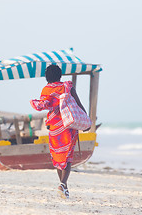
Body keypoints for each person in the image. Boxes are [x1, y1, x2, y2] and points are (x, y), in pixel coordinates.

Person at [30, 64, 87, 199]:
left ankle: (63, 186)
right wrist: (86, 119)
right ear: (60, 75)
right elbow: (79, 104)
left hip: (55, 127)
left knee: (58, 156)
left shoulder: (46, 89)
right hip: (69, 125)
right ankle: (63, 184)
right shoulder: (67, 86)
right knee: (67, 156)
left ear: (47, 77)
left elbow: (45, 104)